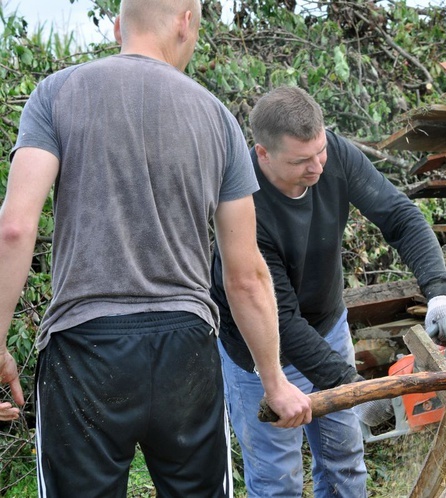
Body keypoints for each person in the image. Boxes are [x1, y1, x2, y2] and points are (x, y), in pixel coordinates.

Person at [0, 1, 312, 496]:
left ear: (120, 25)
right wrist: (273, 379)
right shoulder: (217, 119)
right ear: (186, 20)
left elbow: (15, 229)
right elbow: (246, 274)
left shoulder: (56, 93)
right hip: (185, 350)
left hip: (85, 349)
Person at [210, 85, 446, 497]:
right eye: (301, 160)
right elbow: (280, 320)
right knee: (279, 481)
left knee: (345, 463)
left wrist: (439, 292)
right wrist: (353, 387)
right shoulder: (242, 203)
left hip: (328, 325)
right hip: (262, 350)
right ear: (263, 154)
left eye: (320, 151)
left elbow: (400, 216)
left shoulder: (336, 157)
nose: (317, 168)